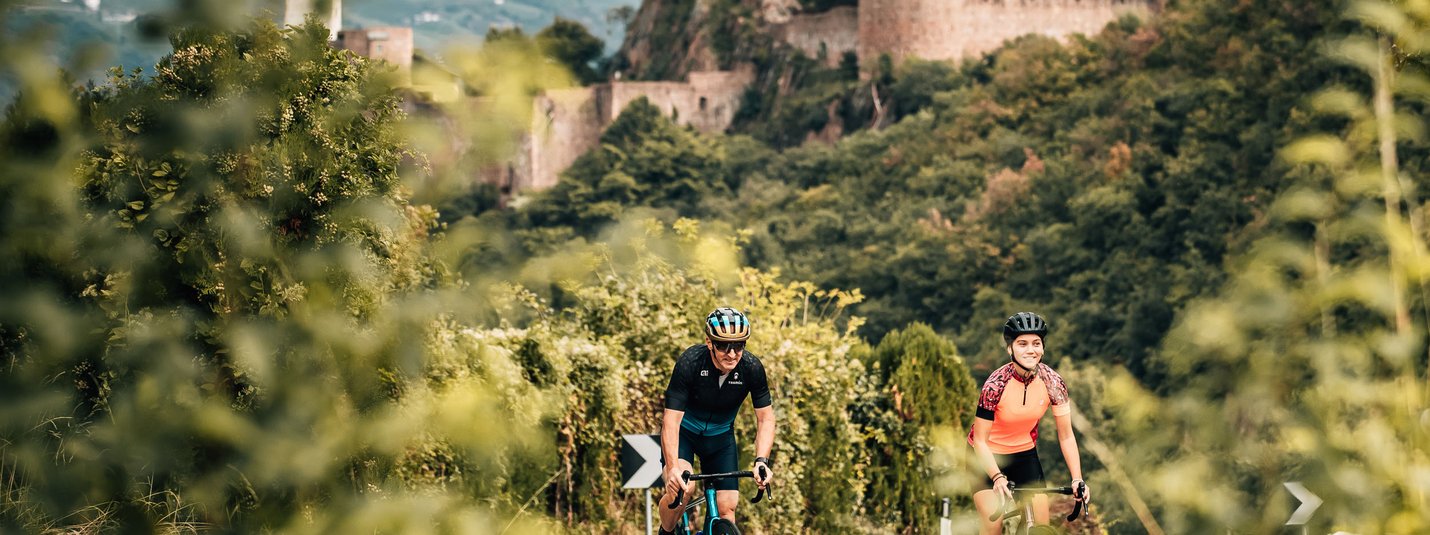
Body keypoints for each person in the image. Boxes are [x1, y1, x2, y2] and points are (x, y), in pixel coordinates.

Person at [657, 307, 776, 535]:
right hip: (685, 434)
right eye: (723, 345)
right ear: (709, 342)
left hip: (720, 439)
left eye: (739, 345)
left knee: (727, 508)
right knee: (683, 488)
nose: (731, 353)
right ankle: (666, 531)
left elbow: (766, 418)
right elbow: (671, 420)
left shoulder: (751, 368)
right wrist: (672, 467)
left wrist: (762, 461)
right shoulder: (690, 362)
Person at [969, 312, 1090, 534]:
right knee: (992, 527)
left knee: (1041, 528)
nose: (1030, 350)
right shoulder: (995, 385)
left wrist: (1077, 479)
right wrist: (996, 477)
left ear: (1043, 348)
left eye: (1036, 343)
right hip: (987, 455)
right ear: (1010, 349)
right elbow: (980, 440)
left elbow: (1066, 435)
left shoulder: (1053, 383)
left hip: (1024, 454)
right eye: (1022, 343)